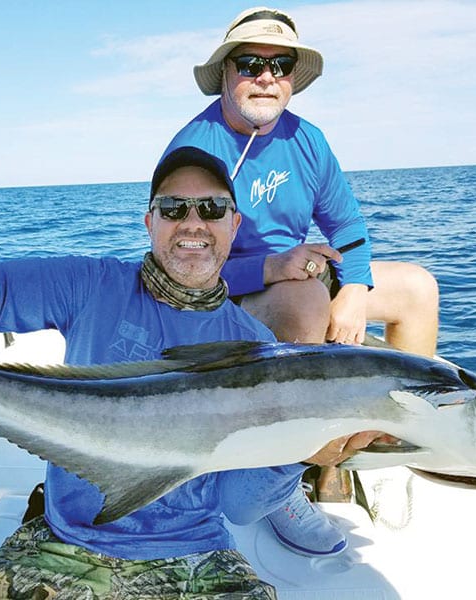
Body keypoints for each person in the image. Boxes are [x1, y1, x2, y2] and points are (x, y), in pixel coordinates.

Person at [0, 146, 379, 599]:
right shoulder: (94, 285)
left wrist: (301, 450)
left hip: (194, 559)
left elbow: (238, 506)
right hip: (65, 546)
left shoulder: (257, 348)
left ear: (233, 225)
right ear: (149, 221)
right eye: (173, 208)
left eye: (213, 208)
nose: (192, 221)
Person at [163, 7, 439, 556]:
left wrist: (356, 291)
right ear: (225, 73)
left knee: (416, 290)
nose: (265, 75)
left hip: (302, 270)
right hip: (223, 292)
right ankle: (288, 481)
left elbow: (349, 228)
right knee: (306, 306)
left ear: (292, 77)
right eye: (250, 62)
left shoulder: (308, 140)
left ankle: (377, 438)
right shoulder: (195, 149)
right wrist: (271, 267)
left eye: (280, 64)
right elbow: (181, 262)